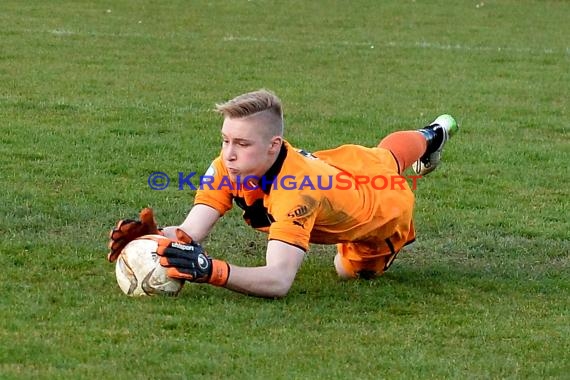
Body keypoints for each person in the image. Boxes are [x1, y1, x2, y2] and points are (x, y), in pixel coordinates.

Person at [107, 89, 459, 298]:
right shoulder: (228, 165)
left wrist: (210, 270)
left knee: (346, 270)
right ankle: (433, 134)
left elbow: (277, 280)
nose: (229, 152)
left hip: (382, 211)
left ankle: (431, 135)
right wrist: (154, 237)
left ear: (274, 145)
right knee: (384, 156)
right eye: (226, 139)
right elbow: (190, 232)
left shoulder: (297, 192)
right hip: (342, 169)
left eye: (242, 143)